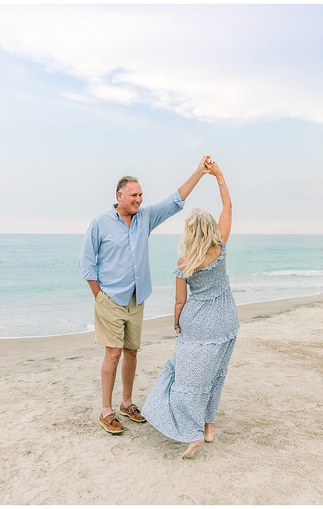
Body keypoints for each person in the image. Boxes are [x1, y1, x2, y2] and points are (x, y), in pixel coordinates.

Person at [79, 156, 212, 435]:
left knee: (131, 352)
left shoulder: (145, 218)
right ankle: (106, 411)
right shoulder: (100, 223)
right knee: (113, 353)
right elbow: (87, 264)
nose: (139, 199)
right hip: (110, 299)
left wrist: (199, 171)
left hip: (137, 299)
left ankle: (127, 403)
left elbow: (175, 200)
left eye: (141, 194)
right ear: (120, 196)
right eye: (134, 195)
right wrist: (99, 296)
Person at [142, 158, 239, 459]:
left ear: (189, 233)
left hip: (196, 323)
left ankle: (192, 431)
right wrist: (219, 176)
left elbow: (179, 302)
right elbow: (228, 209)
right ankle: (207, 428)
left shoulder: (184, 263)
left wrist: (176, 324)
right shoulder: (220, 248)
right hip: (224, 322)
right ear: (209, 229)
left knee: (186, 378)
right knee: (215, 374)